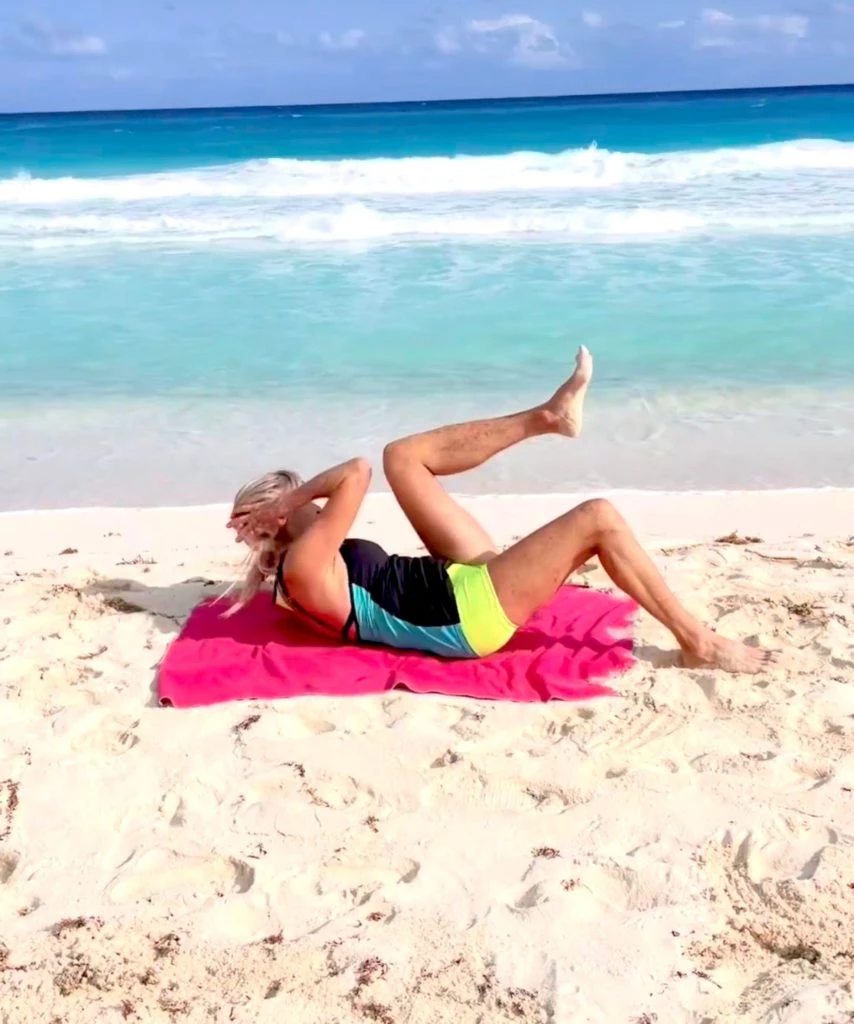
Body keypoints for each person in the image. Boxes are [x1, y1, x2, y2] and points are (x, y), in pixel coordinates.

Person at [227, 347, 775, 674]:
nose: (311, 497)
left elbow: (367, 471)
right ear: (281, 514)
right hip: (467, 615)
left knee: (403, 457)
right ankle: (699, 642)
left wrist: (283, 510)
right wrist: (289, 500)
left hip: (456, 582)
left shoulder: (298, 570)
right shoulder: (302, 565)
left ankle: (548, 417)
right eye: (298, 495)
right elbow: (354, 473)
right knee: (598, 517)